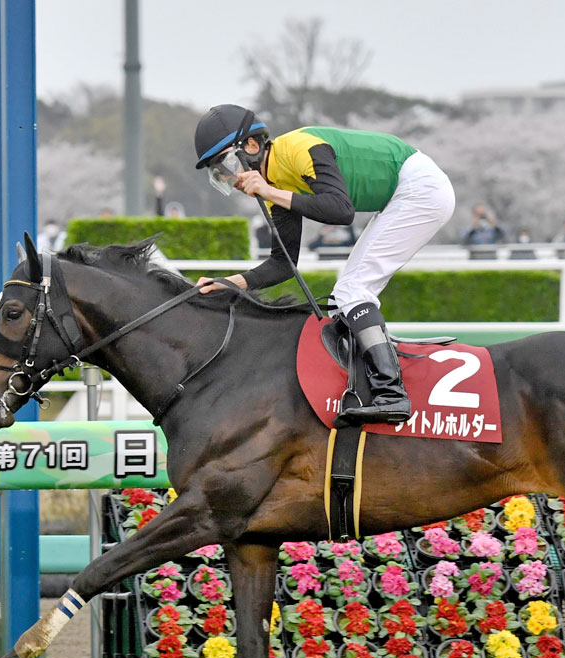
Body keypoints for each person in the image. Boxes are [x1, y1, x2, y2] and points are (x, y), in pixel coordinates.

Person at [192, 103, 455, 426]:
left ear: (251, 146)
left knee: (353, 291)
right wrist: (229, 282)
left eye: (228, 165)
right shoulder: (276, 183)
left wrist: (271, 191)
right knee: (340, 300)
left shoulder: (300, 148)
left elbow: (341, 211)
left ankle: (392, 394)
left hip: (420, 189)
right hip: (401, 195)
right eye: (220, 174)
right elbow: (282, 265)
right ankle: (368, 388)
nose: (231, 179)